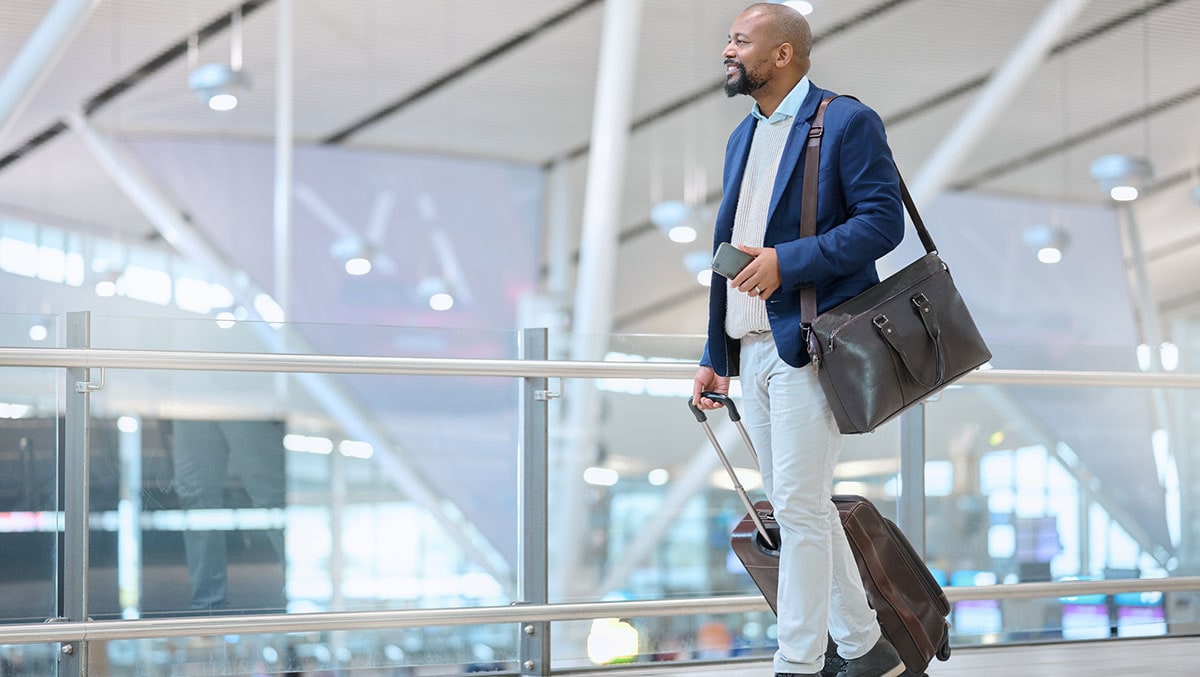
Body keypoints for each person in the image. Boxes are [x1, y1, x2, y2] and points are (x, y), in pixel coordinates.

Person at [691, 4, 906, 677]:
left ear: (782, 54)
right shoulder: (741, 137)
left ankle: (799, 660)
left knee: (799, 508)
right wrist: (714, 356)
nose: (728, 50)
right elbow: (728, 252)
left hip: (812, 344)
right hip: (750, 348)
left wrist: (789, 260)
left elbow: (882, 224)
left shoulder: (845, 121)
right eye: (728, 38)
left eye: (740, 40)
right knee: (800, 503)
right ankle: (868, 647)